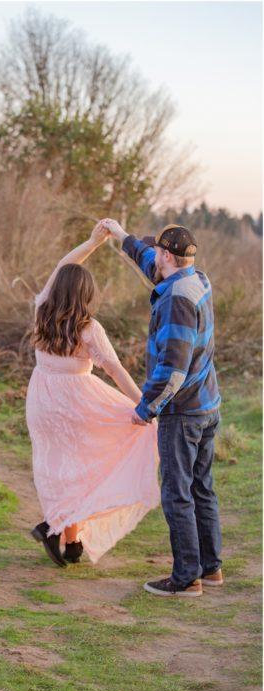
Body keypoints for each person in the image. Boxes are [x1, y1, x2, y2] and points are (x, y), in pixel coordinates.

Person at [26, 221, 160, 568]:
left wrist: (91, 243)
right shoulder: (88, 328)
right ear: (86, 294)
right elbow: (116, 371)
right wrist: (144, 405)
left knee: (58, 469)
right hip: (75, 402)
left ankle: (70, 540)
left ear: (56, 289)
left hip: (41, 398)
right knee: (85, 468)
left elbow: (61, 267)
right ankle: (55, 526)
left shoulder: (42, 309)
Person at [102, 219, 223, 598]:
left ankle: (187, 578)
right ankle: (210, 567)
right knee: (202, 488)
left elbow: (172, 370)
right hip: (206, 405)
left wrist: (146, 409)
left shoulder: (176, 302)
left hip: (182, 413)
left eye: (157, 251)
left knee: (177, 493)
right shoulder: (194, 279)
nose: (152, 254)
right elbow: (148, 261)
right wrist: (122, 237)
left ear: (167, 256)